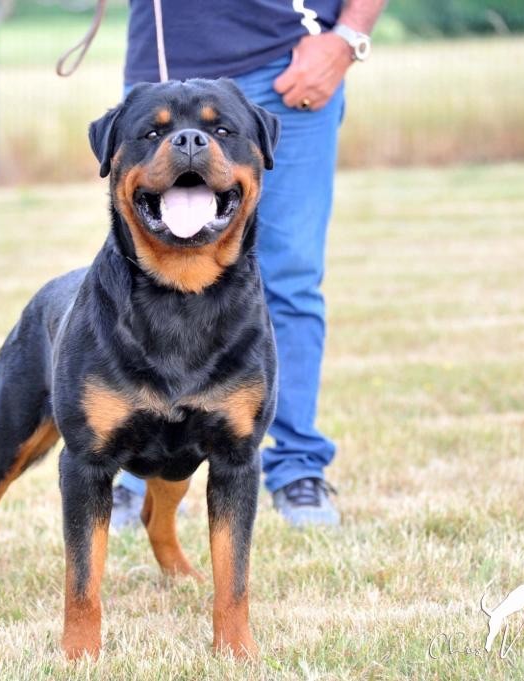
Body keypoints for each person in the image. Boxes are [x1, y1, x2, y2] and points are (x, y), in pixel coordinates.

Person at [110, 0, 386, 529]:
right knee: (138, 278)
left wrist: (346, 39)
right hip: (161, 70)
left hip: (282, 64)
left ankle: (297, 467)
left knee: (291, 282)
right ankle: (129, 468)